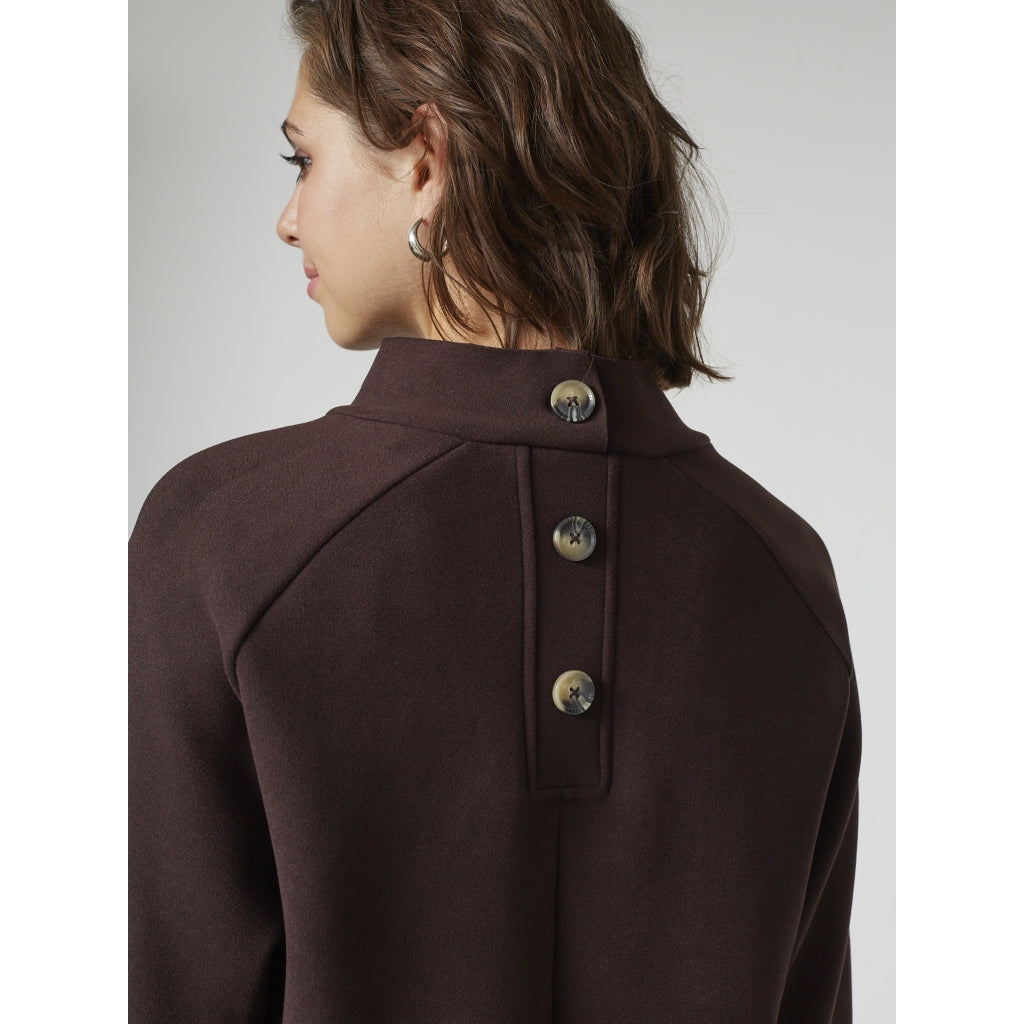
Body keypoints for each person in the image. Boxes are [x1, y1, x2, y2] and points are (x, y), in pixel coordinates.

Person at [128, 0, 862, 1021]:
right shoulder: (785, 574)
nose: (288, 218)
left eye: (303, 159)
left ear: (426, 162)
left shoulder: (223, 538)